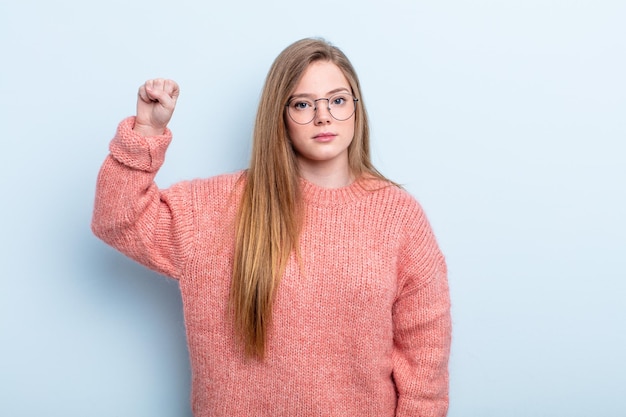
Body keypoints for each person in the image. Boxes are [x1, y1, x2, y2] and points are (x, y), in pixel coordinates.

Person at [92, 37, 451, 417]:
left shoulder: (398, 216)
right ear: (279, 116)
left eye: (338, 100)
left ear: (357, 110)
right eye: (302, 104)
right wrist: (145, 133)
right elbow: (118, 219)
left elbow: (424, 362)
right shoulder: (215, 209)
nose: (323, 116)